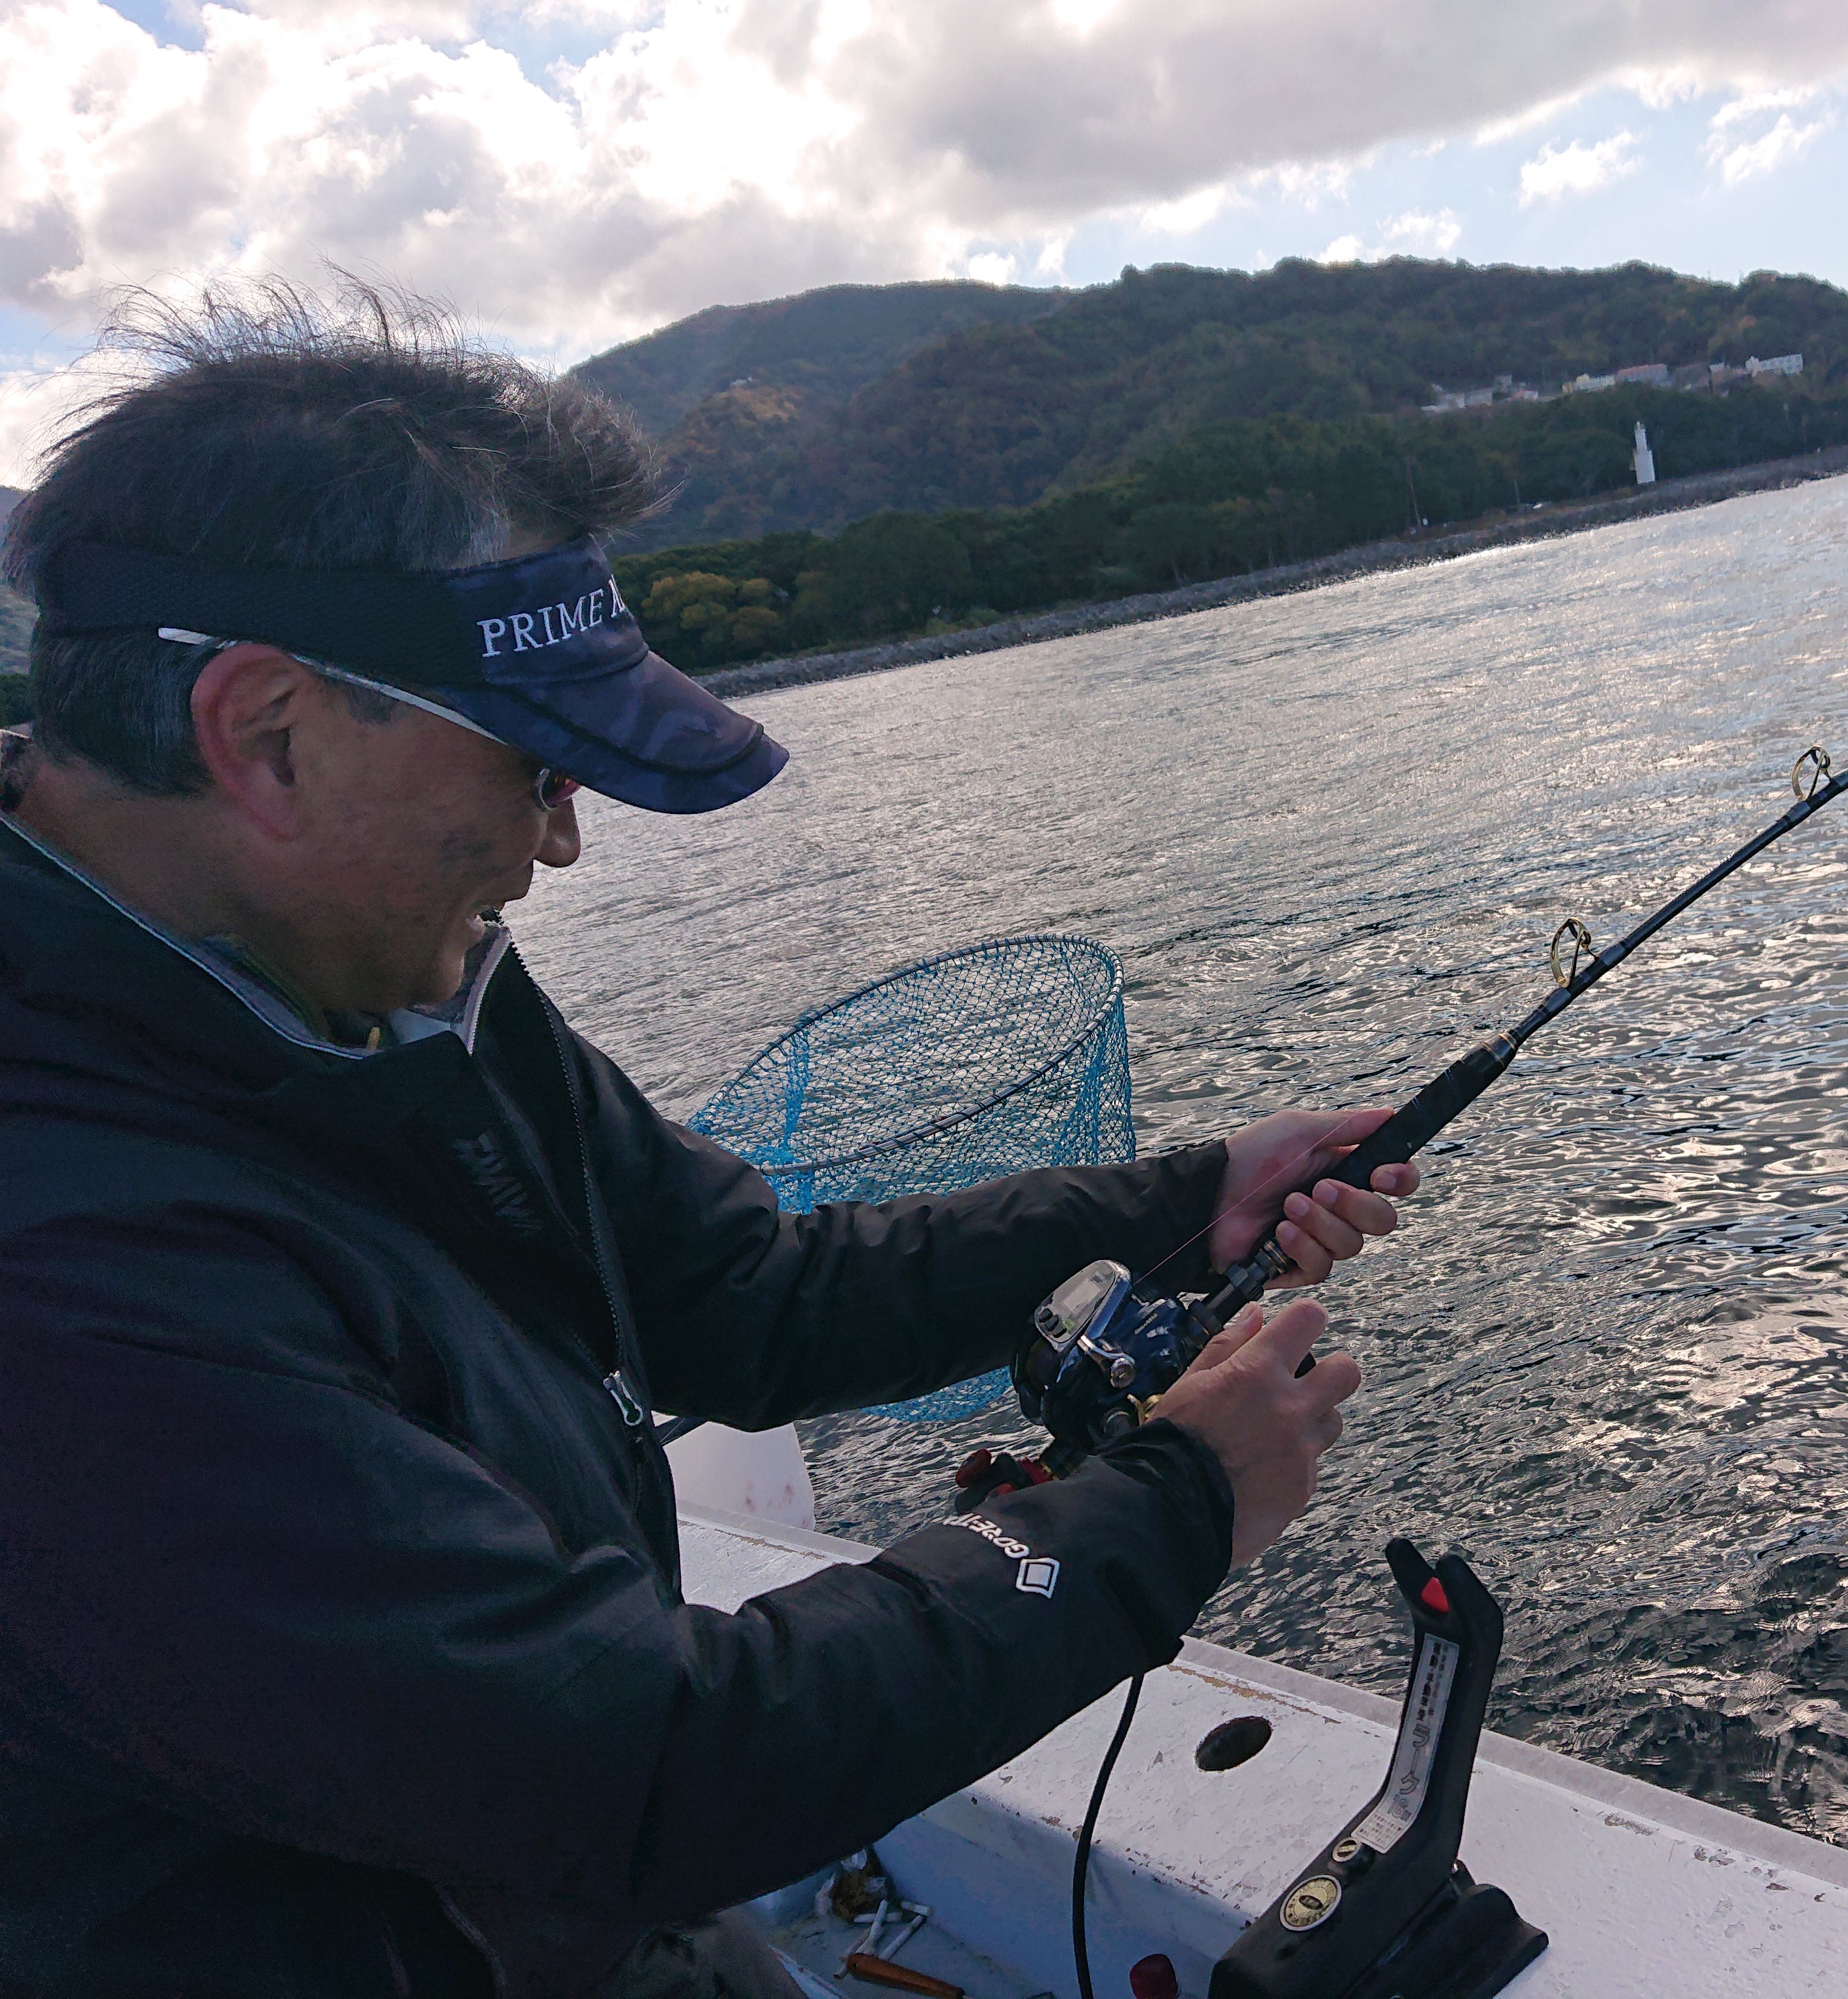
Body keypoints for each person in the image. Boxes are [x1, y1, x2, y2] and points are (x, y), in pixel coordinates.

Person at [0, 283, 1416, 1998]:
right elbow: (634, 1762)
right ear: (268, 733)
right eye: (538, 764)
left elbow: (745, 1293)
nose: (562, 844)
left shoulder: (391, 986)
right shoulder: (65, 1269)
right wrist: (1176, 1505)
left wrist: (1180, 1204)